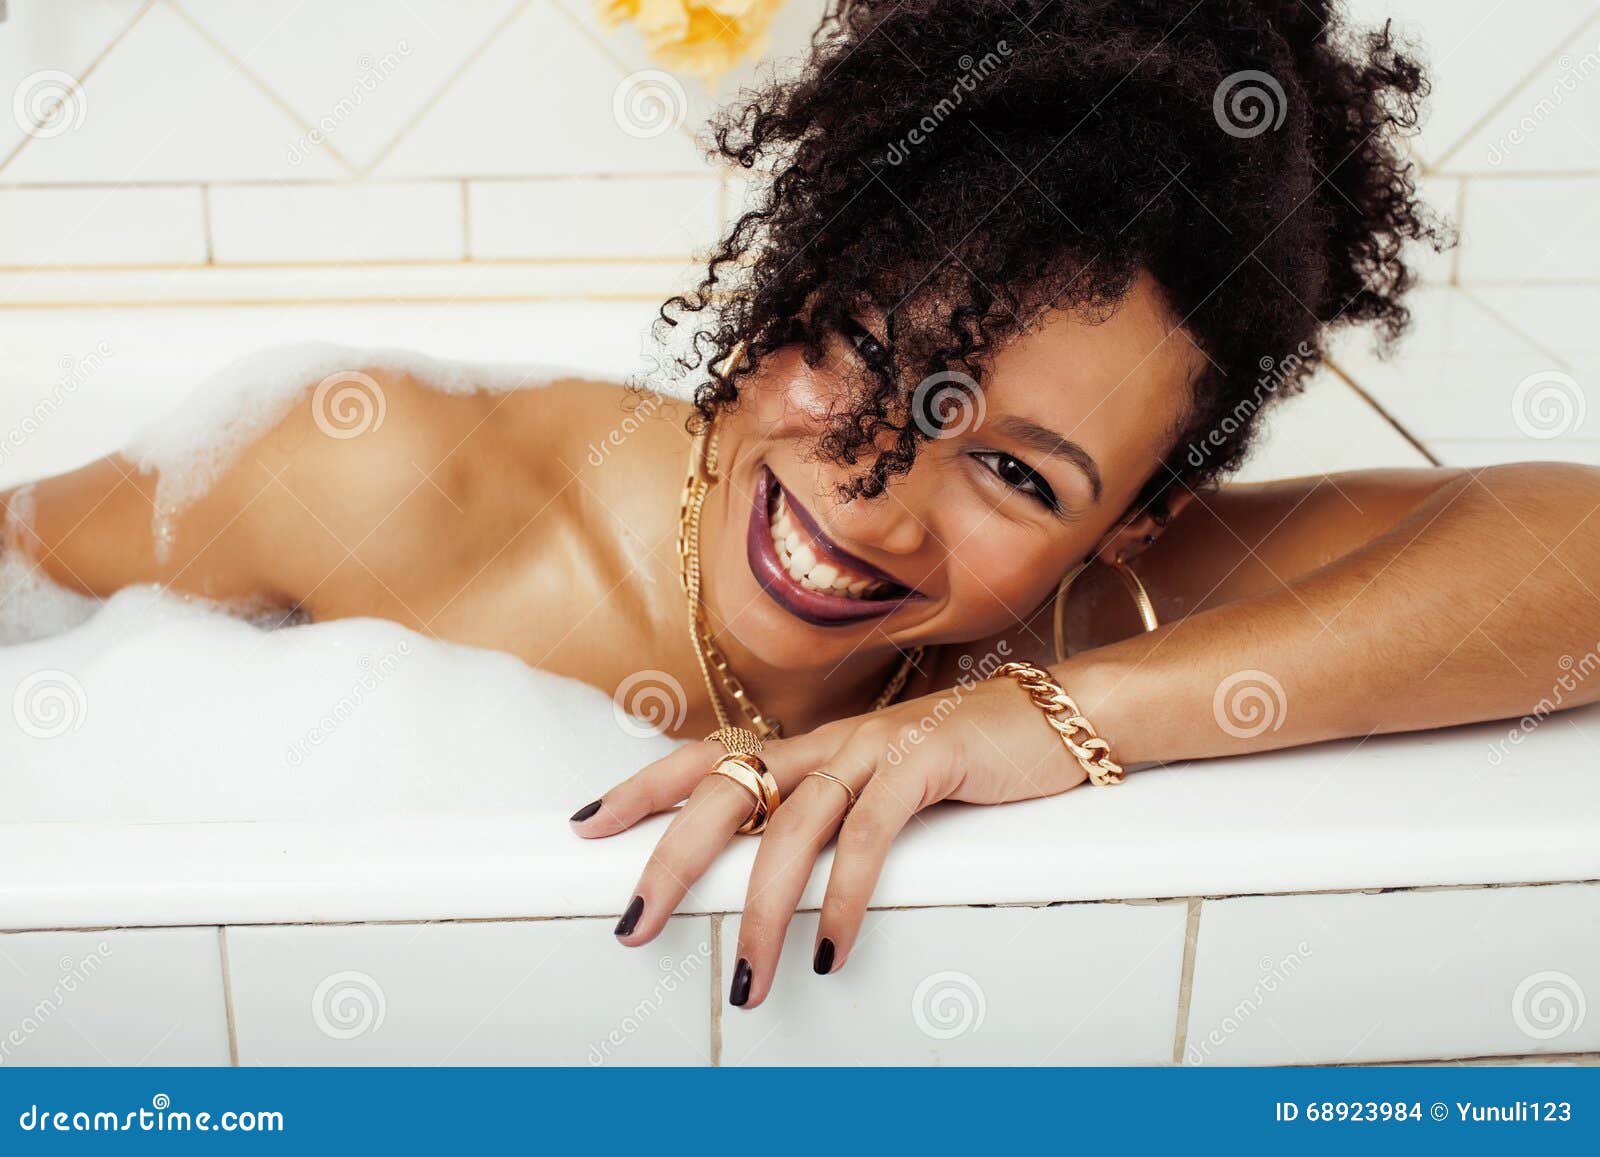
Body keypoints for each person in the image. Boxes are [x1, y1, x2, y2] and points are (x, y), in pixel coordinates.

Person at [3, 0, 1596, 1011]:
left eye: (1018, 472)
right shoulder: (391, 476)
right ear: (782, 304)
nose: (876, 505)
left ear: (1129, 524)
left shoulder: (1079, 613)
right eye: (867, 358)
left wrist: (1033, 719)